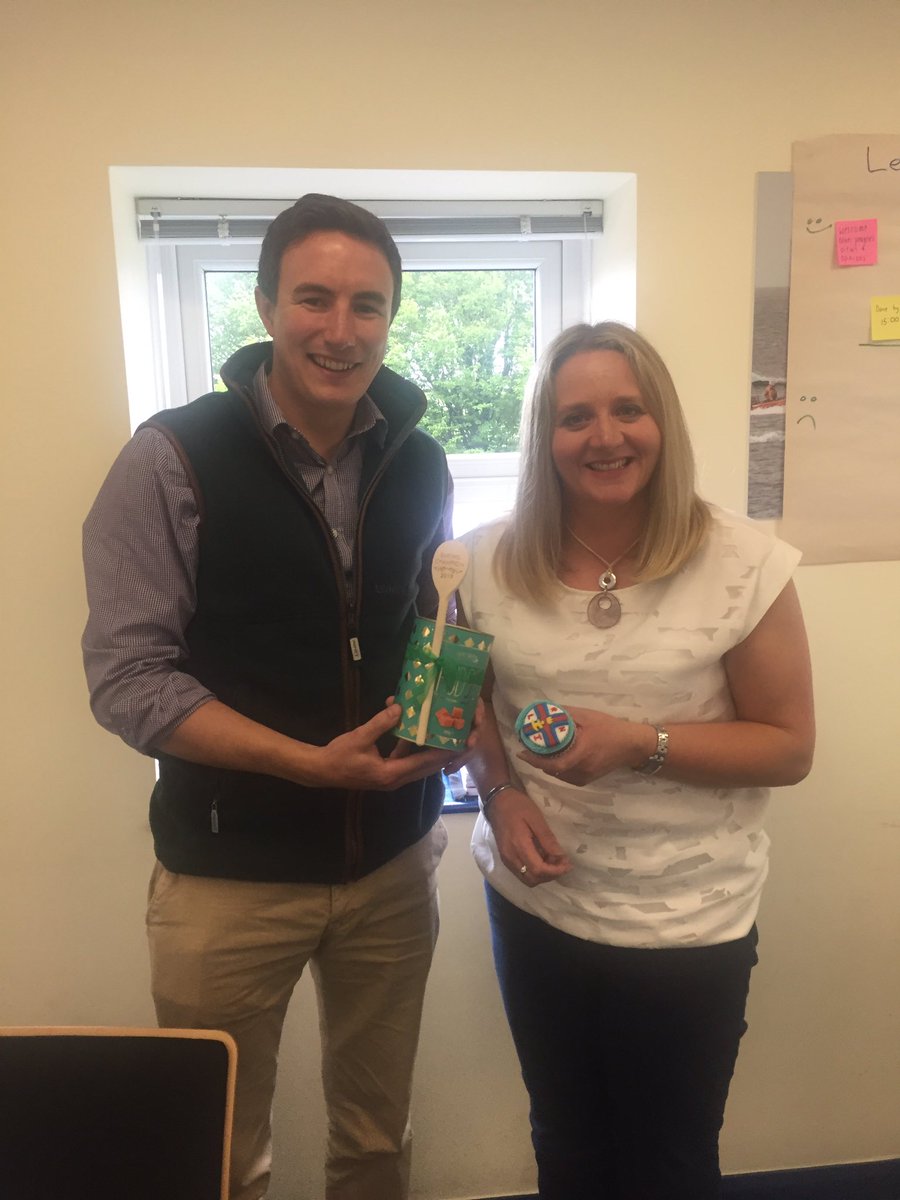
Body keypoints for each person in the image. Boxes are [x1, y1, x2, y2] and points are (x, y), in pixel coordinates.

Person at [82, 194, 468, 1200]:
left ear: (392, 316)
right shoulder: (171, 457)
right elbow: (128, 678)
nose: (341, 330)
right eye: (313, 298)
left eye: (368, 305)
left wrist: (456, 708)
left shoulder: (422, 461)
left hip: (391, 865)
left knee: (376, 1139)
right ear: (264, 307)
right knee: (219, 1153)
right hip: (227, 879)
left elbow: (426, 623)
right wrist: (306, 765)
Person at [458, 322, 815, 1200]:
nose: (605, 436)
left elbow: (788, 746)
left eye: (628, 409)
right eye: (575, 417)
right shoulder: (484, 560)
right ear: (545, 436)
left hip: (687, 923)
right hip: (537, 907)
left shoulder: (743, 563)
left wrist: (638, 743)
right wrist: (498, 792)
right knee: (565, 1142)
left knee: (670, 1161)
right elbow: (465, 701)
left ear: (664, 423)